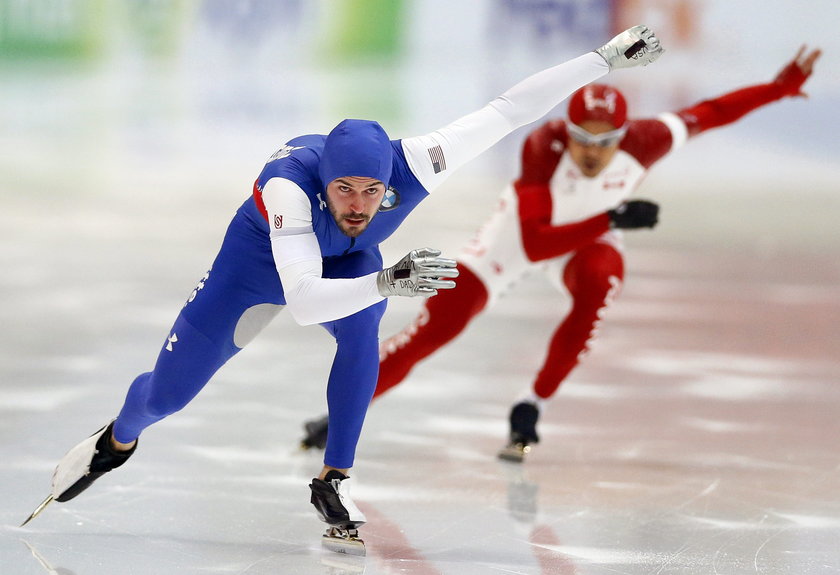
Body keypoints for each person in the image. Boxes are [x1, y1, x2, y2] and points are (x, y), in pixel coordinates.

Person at [25, 26, 664, 551]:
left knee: (365, 325)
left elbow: (506, 111)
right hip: (257, 270)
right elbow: (301, 300)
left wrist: (602, 59)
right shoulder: (289, 191)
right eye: (344, 191)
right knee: (165, 400)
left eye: (372, 192)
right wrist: (388, 276)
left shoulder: (418, 161)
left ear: (393, 176)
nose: (359, 205)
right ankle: (116, 440)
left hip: (348, 265)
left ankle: (336, 477)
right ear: (323, 181)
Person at [300, 46, 821, 463]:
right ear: (566, 133)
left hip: (588, 239)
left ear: (624, 136)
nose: (592, 153)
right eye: (581, 139)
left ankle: (531, 407)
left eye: (606, 142)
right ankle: (342, 416)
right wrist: (612, 219)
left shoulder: (648, 139)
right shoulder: (542, 148)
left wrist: (778, 89)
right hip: (522, 235)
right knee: (438, 328)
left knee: (599, 282)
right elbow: (534, 241)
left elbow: (711, 112)